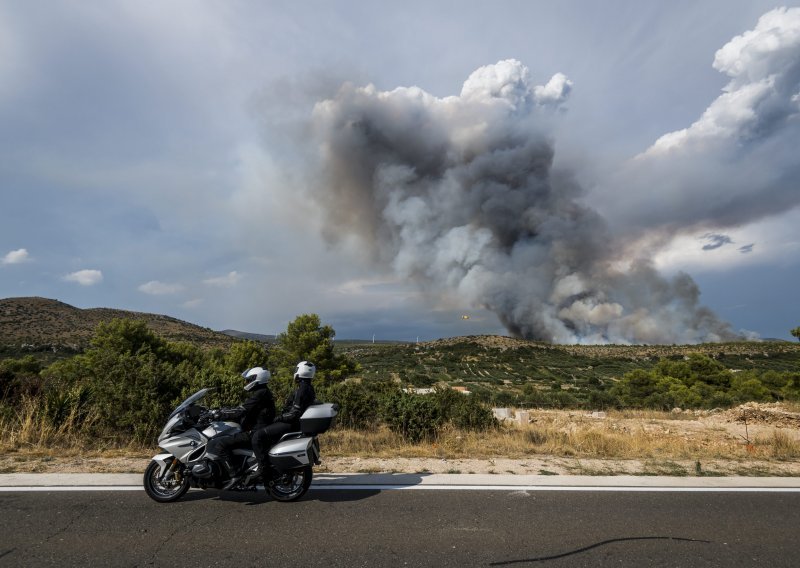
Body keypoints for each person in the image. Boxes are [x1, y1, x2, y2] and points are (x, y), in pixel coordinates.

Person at [203, 366, 275, 489]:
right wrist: (223, 410)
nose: (247, 382)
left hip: (255, 431)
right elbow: (244, 408)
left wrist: (220, 414)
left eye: (249, 379)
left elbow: (242, 410)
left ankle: (234, 475)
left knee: (220, 444)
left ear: (257, 379)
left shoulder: (260, 393)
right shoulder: (262, 392)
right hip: (257, 428)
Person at [251, 361, 317, 480]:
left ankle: (262, 468)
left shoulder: (302, 389)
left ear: (299, 371)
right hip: (295, 423)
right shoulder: (308, 387)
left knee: (258, 436)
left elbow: (295, 413)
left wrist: (278, 418)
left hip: (291, 423)